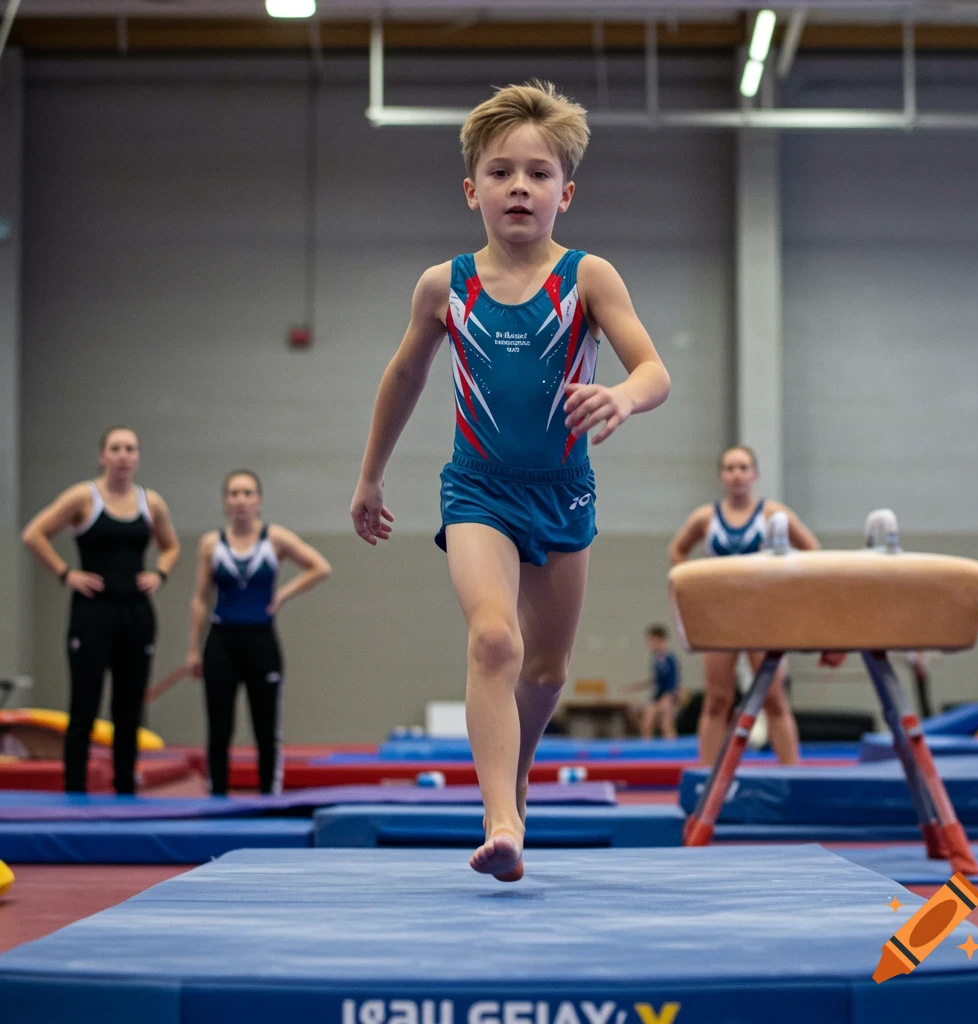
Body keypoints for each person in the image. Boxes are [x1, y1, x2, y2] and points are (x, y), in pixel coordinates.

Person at [350, 81, 671, 881]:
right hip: (478, 490)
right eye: (500, 173)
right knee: (495, 637)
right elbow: (403, 378)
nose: (519, 187)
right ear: (472, 192)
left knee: (548, 670)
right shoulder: (444, 286)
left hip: (564, 493)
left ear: (567, 191)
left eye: (537, 173)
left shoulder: (589, 278)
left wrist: (622, 397)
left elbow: (654, 369)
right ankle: (501, 821)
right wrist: (370, 479)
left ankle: (516, 781)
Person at [21, 427, 180, 793]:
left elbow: (170, 546)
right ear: (102, 456)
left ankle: (126, 786)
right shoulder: (83, 497)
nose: (123, 455)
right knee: (85, 702)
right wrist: (66, 573)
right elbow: (34, 534)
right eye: (116, 448)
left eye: (130, 448)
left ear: (137, 457)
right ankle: (75, 789)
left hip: (136, 613)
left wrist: (160, 573)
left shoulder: (150, 502)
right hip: (93, 612)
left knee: (130, 705)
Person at [668, 445, 842, 766]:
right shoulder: (705, 518)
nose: (737, 474)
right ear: (722, 476)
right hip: (720, 617)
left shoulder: (775, 515)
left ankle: (793, 775)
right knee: (718, 700)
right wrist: (697, 588)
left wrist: (788, 586)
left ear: (755, 474)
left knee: (774, 699)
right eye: (730, 468)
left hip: (763, 615)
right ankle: (707, 778)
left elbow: (813, 552)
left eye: (743, 467)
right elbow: (677, 552)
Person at [186, 470, 331, 796]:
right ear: (225, 501)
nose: (241, 500)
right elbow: (200, 598)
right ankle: (217, 796)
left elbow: (320, 567)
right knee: (219, 726)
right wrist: (194, 649)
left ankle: (270, 795)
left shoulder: (274, 538)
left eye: (247, 493)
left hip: (261, 641)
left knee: (266, 727)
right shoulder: (211, 544)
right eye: (234, 493)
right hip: (221, 641)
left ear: (258, 500)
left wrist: (283, 594)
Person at [623, 625, 687, 739]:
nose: (649, 643)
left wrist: (670, 695)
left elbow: (674, 680)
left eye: (651, 640)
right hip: (658, 695)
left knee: (666, 725)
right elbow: (656, 680)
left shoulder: (670, 658)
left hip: (669, 696)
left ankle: (672, 749)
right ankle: (646, 750)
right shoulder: (655, 658)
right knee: (647, 723)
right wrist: (636, 686)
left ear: (659, 639)